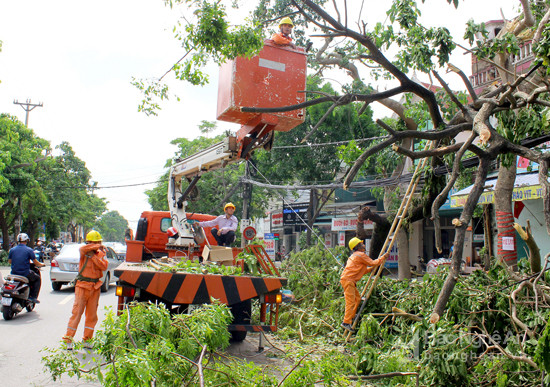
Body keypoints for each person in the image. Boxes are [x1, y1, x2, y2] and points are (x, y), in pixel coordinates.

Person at [62, 230, 108, 350]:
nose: (96, 244)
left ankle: (87, 340)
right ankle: (68, 339)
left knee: (92, 316)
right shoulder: (84, 251)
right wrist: (98, 247)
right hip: (82, 286)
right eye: (95, 242)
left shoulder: (100, 254)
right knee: (76, 314)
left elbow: (103, 267)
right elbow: (83, 249)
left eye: (97, 242)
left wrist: (93, 257)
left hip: (94, 287)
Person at [340, 237, 388, 332]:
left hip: (348, 280)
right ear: (358, 246)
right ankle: (346, 322)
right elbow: (373, 262)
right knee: (350, 302)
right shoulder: (360, 255)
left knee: (357, 299)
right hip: (349, 281)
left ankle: (351, 317)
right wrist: (383, 257)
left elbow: (363, 270)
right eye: (362, 244)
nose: (364, 245)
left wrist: (371, 269)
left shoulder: (355, 256)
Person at [8, 233, 45, 303]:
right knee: (37, 279)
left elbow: (10, 261)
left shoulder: (12, 250)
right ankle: (33, 297)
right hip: (25, 273)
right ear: (26, 241)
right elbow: (36, 262)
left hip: (13, 273)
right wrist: (42, 264)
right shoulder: (29, 250)